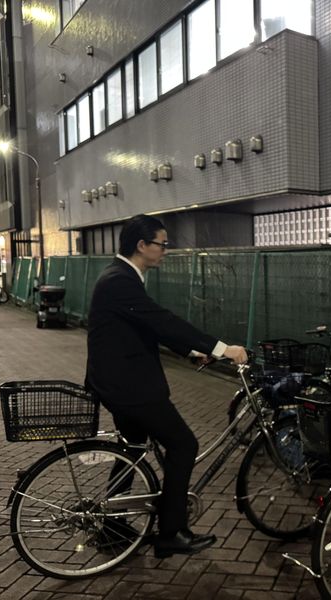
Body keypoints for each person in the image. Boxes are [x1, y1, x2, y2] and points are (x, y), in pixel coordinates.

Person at [85, 214, 247, 558]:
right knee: (184, 445)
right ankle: (171, 531)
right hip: (130, 388)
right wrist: (222, 348)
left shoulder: (120, 276)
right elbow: (163, 321)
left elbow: (147, 327)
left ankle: (112, 527)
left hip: (117, 384)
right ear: (142, 245)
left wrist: (193, 352)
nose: (165, 250)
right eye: (162, 244)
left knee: (132, 449)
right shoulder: (120, 280)